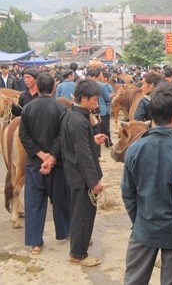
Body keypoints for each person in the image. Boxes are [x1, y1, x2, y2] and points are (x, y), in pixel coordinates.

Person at [121, 83, 172, 285]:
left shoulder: (135, 150)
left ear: (152, 114)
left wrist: (139, 221)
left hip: (143, 228)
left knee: (134, 280)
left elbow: (127, 194)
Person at [19, 73, 69, 255]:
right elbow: (63, 136)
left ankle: (35, 243)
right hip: (57, 165)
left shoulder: (28, 108)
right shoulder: (61, 109)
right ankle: (65, 231)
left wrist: (41, 155)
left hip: (34, 163)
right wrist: (52, 157)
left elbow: (24, 136)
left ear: (37, 87)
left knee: (34, 203)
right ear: (54, 86)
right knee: (61, 200)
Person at [60, 80, 106, 267]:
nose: (96, 103)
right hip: (81, 177)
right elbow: (83, 155)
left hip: (73, 173)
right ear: (84, 98)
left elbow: (75, 145)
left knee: (79, 213)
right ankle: (78, 254)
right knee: (83, 215)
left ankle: (80, 245)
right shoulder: (80, 121)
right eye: (95, 99)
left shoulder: (70, 116)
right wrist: (94, 182)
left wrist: (92, 139)